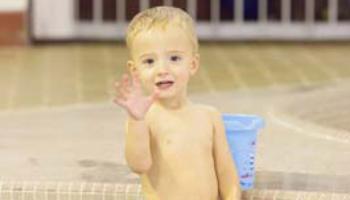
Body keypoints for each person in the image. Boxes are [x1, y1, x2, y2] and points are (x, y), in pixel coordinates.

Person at [114, 6, 241, 200]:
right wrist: (136, 119)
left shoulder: (209, 116)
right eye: (149, 61)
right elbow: (139, 165)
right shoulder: (144, 119)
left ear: (193, 64)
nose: (162, 69)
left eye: (174, 58)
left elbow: (227, 175)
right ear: (135, 70)